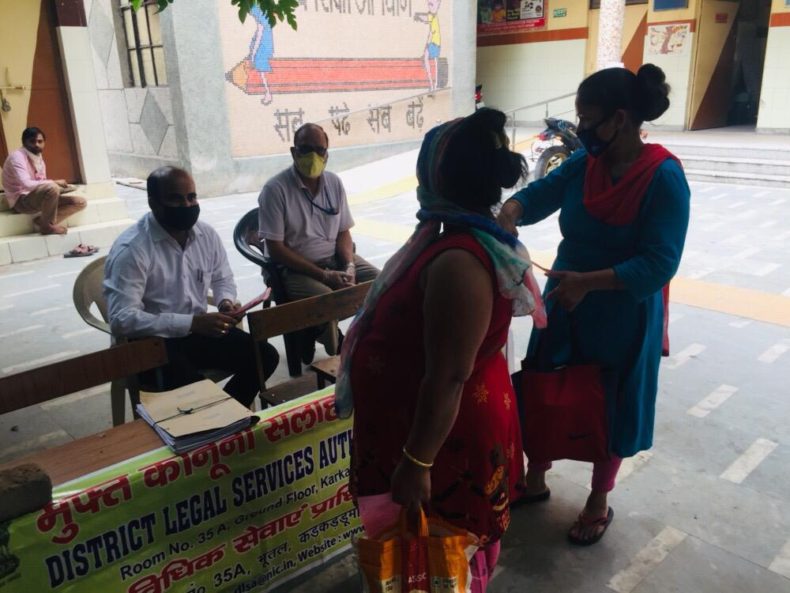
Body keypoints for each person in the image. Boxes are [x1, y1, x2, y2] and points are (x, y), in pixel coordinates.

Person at [336, 109, 545, 592]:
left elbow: (450, 374)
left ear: (435, 176)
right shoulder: (451, 240)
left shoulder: (458, 261)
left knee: (446, 559)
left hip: (442, 447)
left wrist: (417, 461)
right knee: (429, 563)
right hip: (427, 432)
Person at [497, 64, 690, 545]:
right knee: (546, 382)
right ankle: (535, 477)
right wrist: (512, 210)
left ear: (620, 119)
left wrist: (591, 283)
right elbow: (540, 194)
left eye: (588, 119)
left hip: (623, 309)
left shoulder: (663, 177)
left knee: (612, 401)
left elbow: (659, 264)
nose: (581, 129)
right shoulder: (586, 164)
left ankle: (598, 500)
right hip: (567, 297)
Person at [104, 166, 279, 408]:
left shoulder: (205, 235)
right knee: (197, 391)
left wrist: (225, 301)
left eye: (191, 197)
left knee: (265, 357)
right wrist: (192, 323)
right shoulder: (132, 249)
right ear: (154, 203)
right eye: (175, 199)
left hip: (197, 332)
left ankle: (227, 416)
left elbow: (222, 278)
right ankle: (220, 420)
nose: (187, 205)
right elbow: (122, 319)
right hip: (149, 343)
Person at [258, 122, 379, 360]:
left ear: (327, 153)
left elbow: (344, 231)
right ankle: (341, 349)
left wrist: (349, 266)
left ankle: (317, 329)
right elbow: (276, 249)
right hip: (294, 268)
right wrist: (324, 275)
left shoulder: (334, 183)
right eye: (305, 149)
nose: (313, 156)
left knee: (382, 283)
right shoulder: (275, 189)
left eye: (319, 150)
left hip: (335, 258)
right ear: (294, 152)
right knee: (329, 301)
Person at [2, 127, 86, 235]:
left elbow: (41, 182)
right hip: (21, 202)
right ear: (24, 142)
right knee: (52, 187)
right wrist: (54, 183)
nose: (37, 144)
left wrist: (61, 188)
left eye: (40, 141)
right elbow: (27, 184)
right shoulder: (17, 157)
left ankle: (42, 221)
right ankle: (47, 227)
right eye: (32, 141)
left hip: (35, 197)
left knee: (80, 202)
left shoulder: (38, 157)